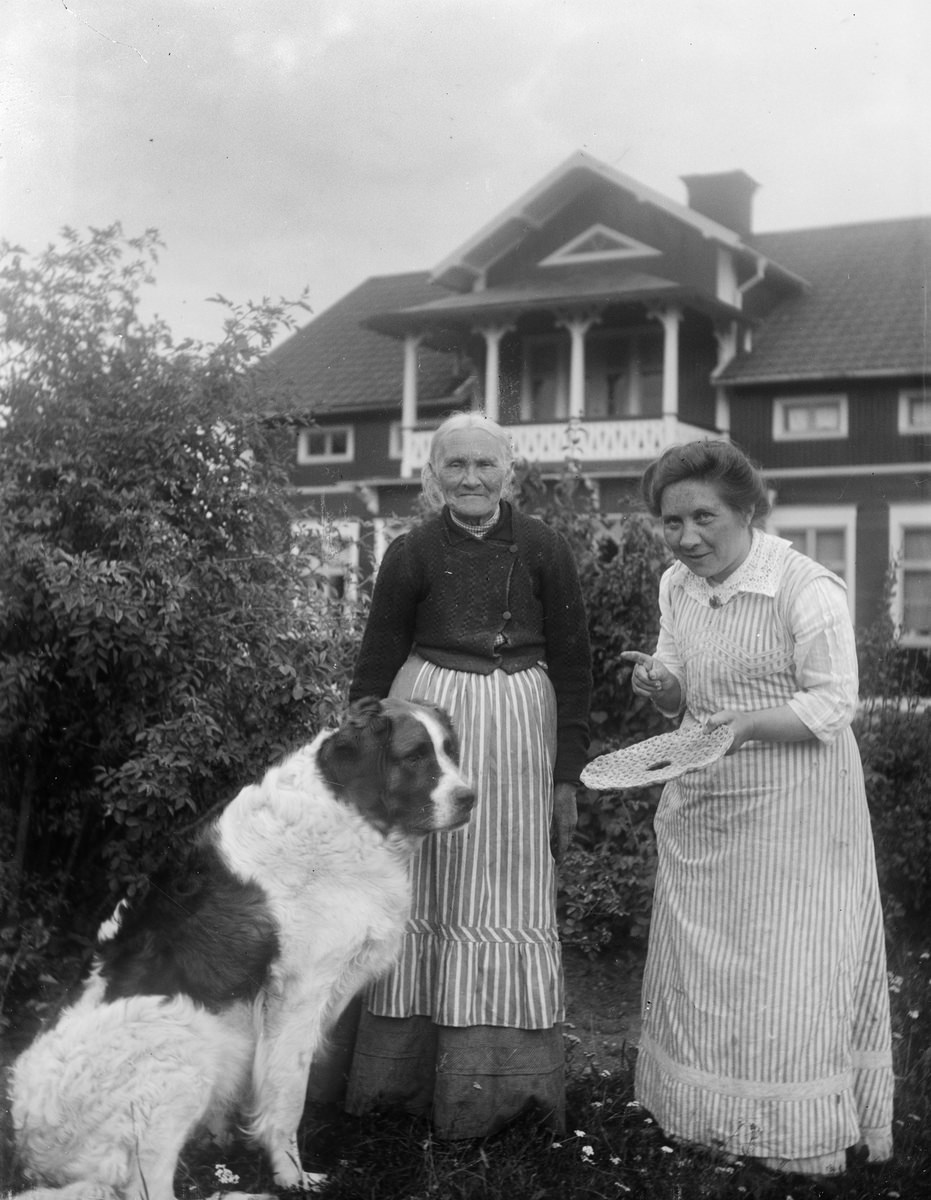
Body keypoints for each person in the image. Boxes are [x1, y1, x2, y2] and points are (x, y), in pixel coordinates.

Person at [621, 439, 893, 1176]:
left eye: (702, 518)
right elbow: (682, 678)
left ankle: (797, 1143)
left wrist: (739, 725)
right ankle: (711, 1123)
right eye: (670, 523)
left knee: (784, 969)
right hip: (705, 802)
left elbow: (834, 703)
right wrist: (662, 687)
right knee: (708, 967)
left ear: (746, 510)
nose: (686, 538)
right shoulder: (676, 585)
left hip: (795, 806)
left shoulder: (805, 588)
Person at [342, 411, 592, 1139]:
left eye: (486, 464)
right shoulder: (411, 552)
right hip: (431, 728)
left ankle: (503, 1092)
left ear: (509, 472)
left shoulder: (544, 549)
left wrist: (565, 775)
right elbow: (374, 663)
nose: (472, 479)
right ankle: (402, 1082)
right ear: (432, 476)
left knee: (507, 880)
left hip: (521, 732)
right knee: (427, 883)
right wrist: (365, 767)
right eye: (455, 465)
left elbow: (575, 667)